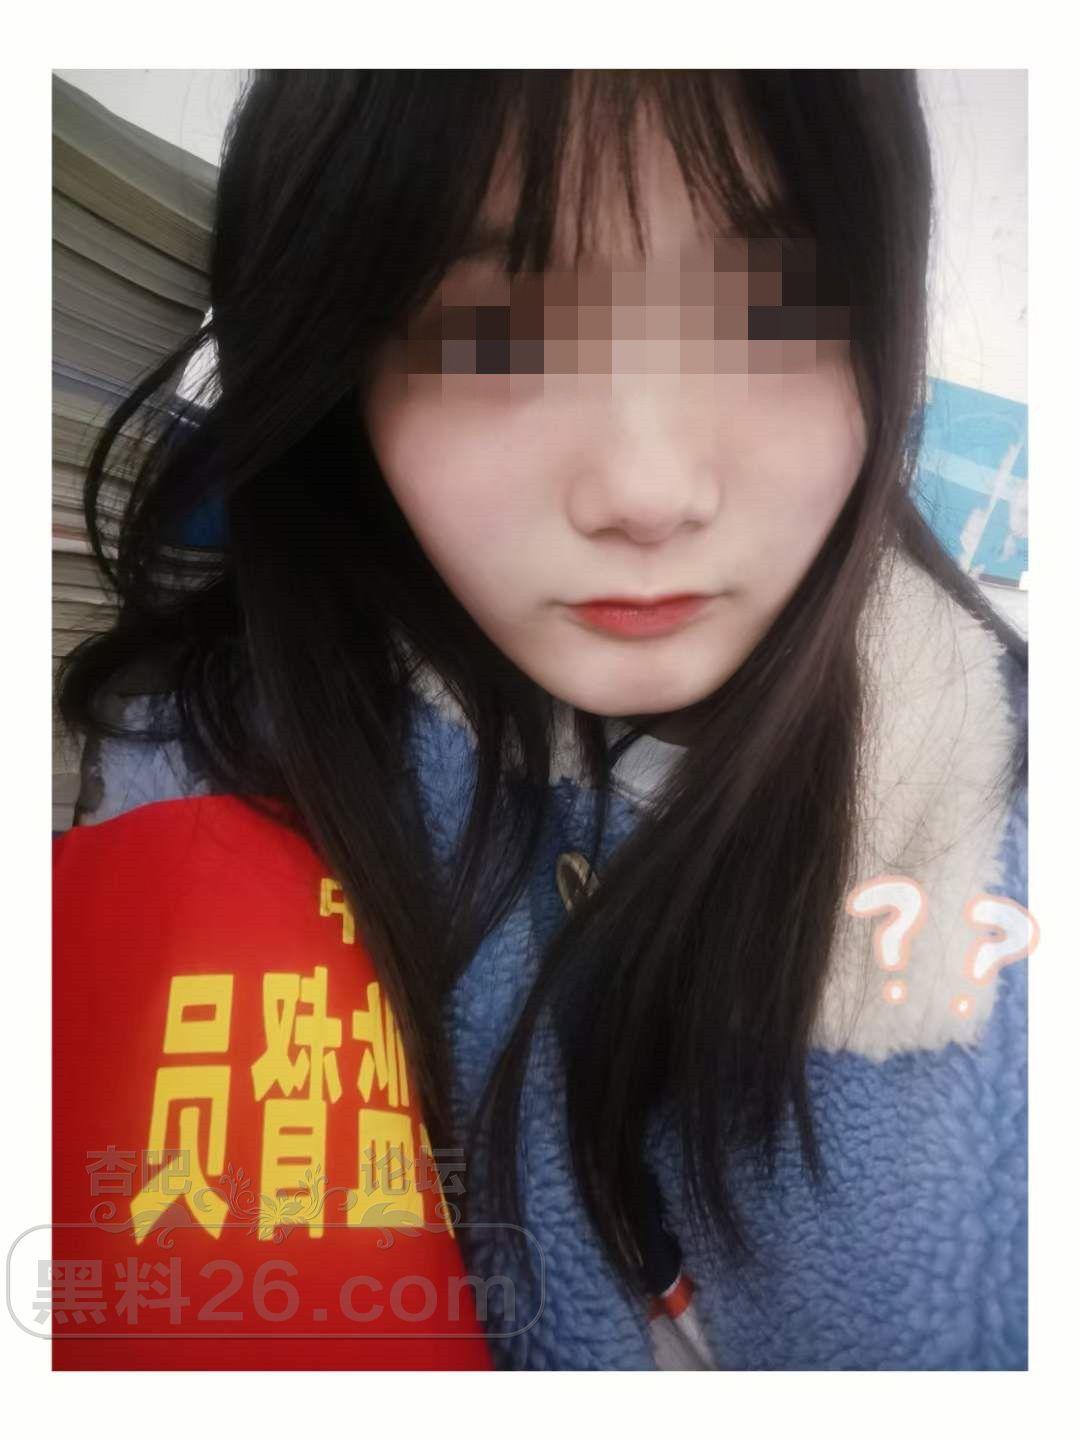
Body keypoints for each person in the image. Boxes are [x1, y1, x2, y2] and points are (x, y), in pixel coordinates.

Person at [55, 70, 1030, 1370]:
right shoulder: (209, 767)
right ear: (346, 366)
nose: (648, 491)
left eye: (769, 316)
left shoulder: (1014, 839)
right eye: (496, 334)